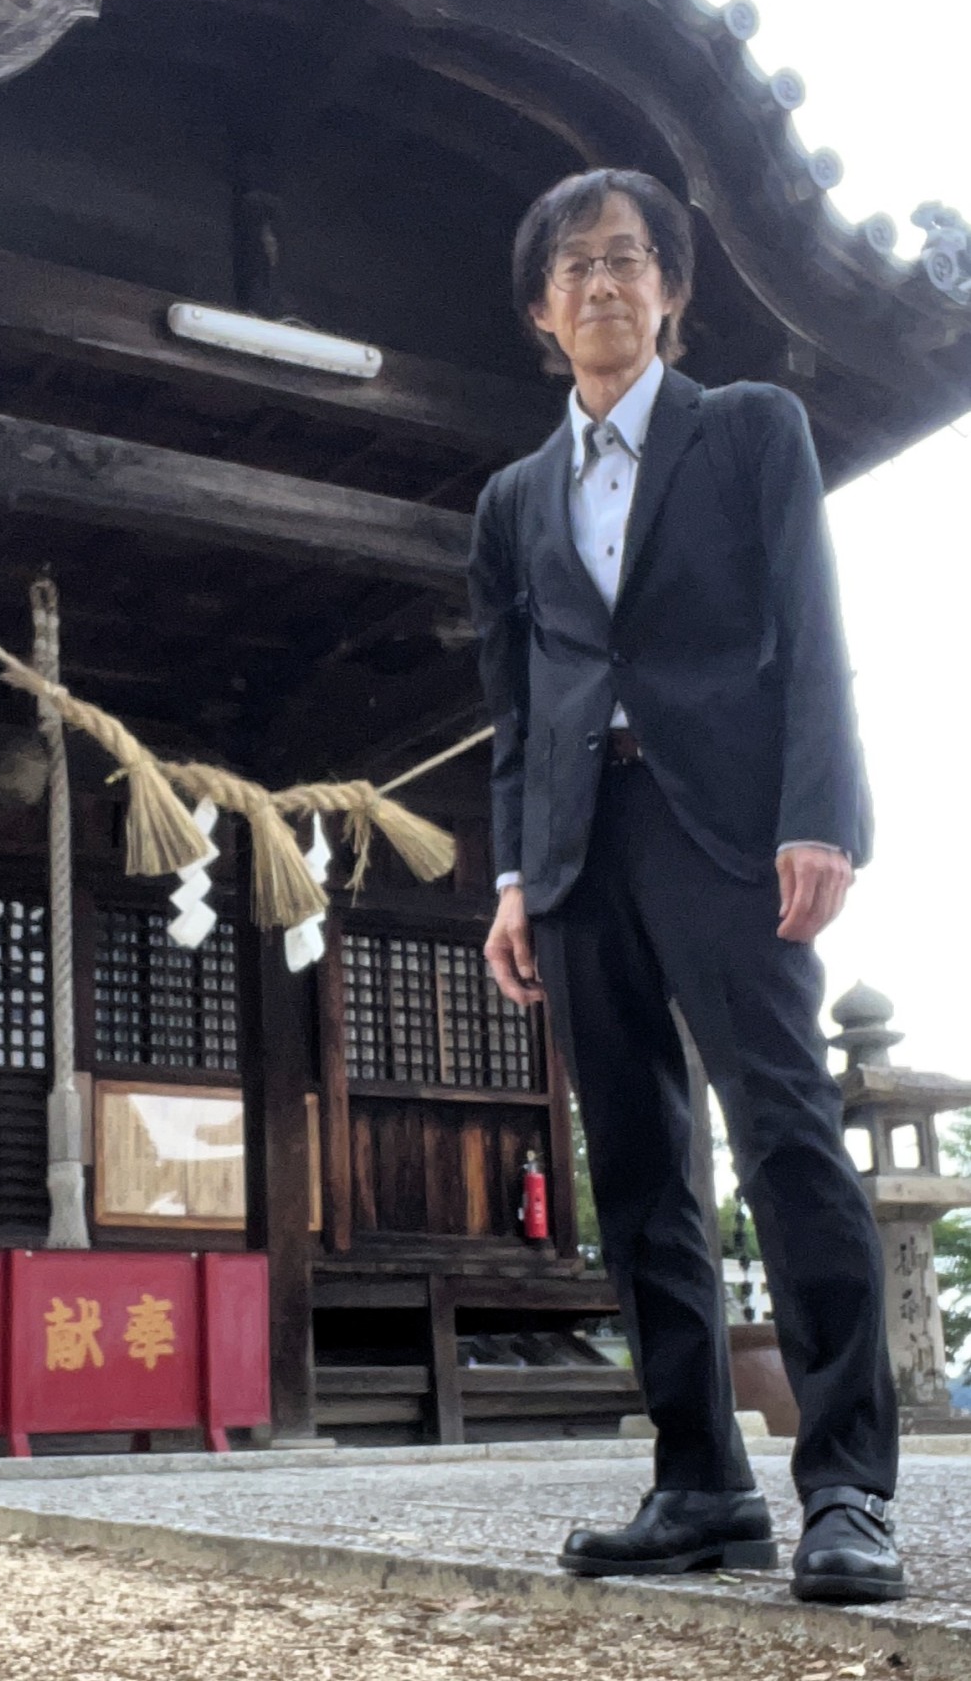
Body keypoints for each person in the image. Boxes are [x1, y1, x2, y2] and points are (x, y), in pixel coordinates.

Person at [468, 169, 903, 1605]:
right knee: (640, 1167)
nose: (602, 283)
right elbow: (518, 708)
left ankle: (846, 1487)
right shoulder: (512, 502)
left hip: (729, 827)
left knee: (785, 1135)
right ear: (542, 311)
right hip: (581, 845)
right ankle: (701, 1479)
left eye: (628, 259)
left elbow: (811, 628)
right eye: (574, 267)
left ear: (672, 290)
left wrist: (820, 817)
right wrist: (515, 875)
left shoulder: (749, 429)